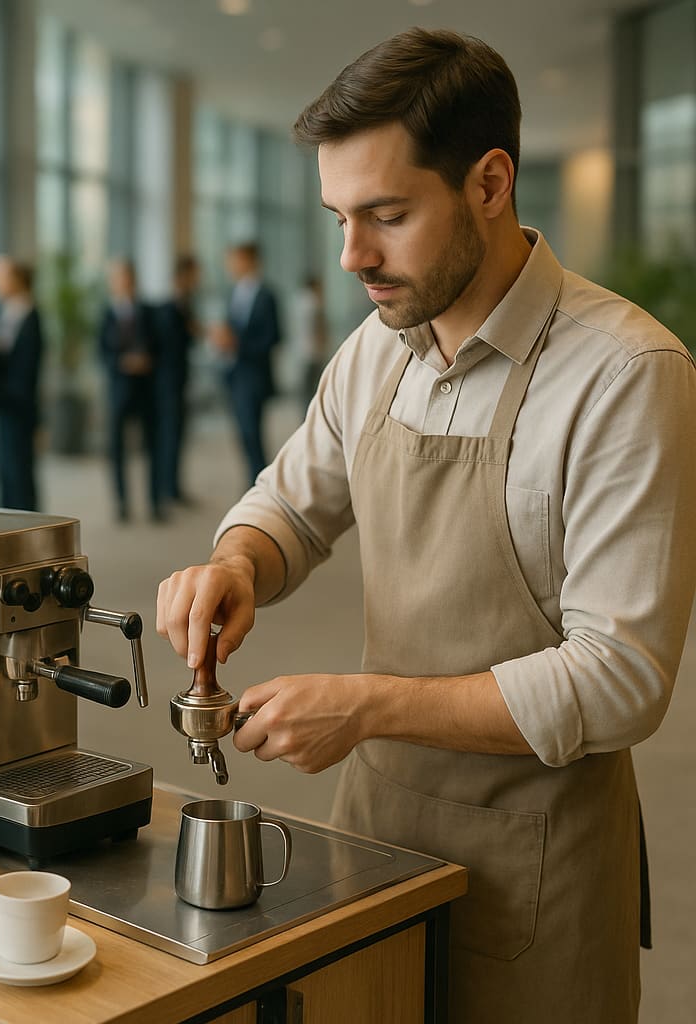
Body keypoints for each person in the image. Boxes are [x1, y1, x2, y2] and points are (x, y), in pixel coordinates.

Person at [156, 28, 696, 1024]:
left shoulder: (624, 374)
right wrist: (236, 562)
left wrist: (364, 706)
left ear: (490, 183)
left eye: (387, 215)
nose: (352, 256)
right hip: (378, 838)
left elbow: (620, 679)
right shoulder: (378, 346)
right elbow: (291, 501)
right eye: (338, 217)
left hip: (542, 868)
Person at [211, 242, 281, 487]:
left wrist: (237, 344)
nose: (231, 266)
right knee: (243, 435)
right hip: (235, 374)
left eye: (236, 260)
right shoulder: (234, 293)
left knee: (253, 435)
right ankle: (251, 484)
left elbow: (273, 337)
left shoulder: (266, 295)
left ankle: (260, 486)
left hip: (255, 376)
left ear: (251, 261)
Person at [98, 259, 162, 523]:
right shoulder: (107, 314)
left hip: (147, 389)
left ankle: (155, 501)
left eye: (125, 277)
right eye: (117, 278)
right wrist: (122, 363)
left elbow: (160, 347)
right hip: (118, 389)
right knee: (116, 449)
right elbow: (102, 352)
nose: (122, 282)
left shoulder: (149, 311)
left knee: (153, 446)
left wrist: (147, 361)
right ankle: (122, 502)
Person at [0, 255, 44, 511]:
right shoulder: (6, 314)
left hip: (19, 406)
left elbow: (25, 370)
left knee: (20, 472)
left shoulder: (29, 316)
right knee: (7, 473)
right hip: (6, 405)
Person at [155, 255, 201, 506]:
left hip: (180, 380)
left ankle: (173, 486)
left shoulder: (185, 303)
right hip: (168, 383)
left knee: (177, 434)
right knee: (170, 434)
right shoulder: (169, 307)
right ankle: (167, 487)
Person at [292, 275, 328, 410]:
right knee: (315, 387)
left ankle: (306, 414)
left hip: (301, 351)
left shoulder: (298, 301)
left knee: (305, 389)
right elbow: (318, 328)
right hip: (313, 351)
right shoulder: (313, 303)